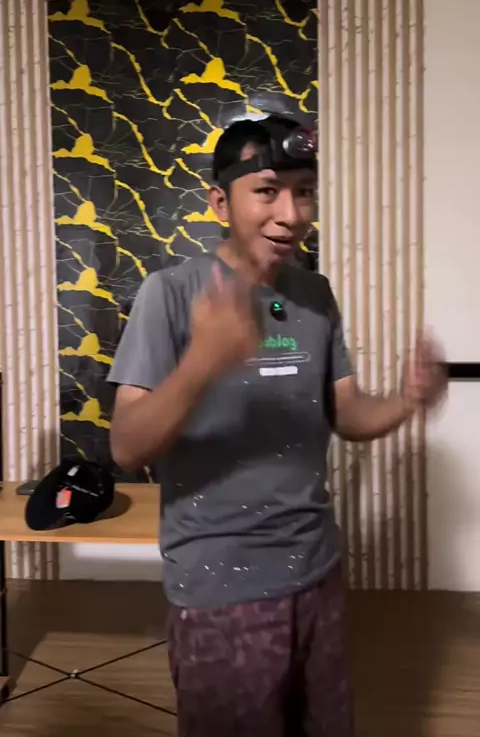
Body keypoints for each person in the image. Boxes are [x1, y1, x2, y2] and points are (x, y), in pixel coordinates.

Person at [107, 114, 447, 737]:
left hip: (318, 573)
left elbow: (345, 413)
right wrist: (204, 360)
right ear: (220, 202)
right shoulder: (171, 294)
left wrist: (406, 400)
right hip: (220, 590)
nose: (291, 214)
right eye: (267, 190)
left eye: (304, 191)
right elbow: (127, 446)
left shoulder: (315, 294)